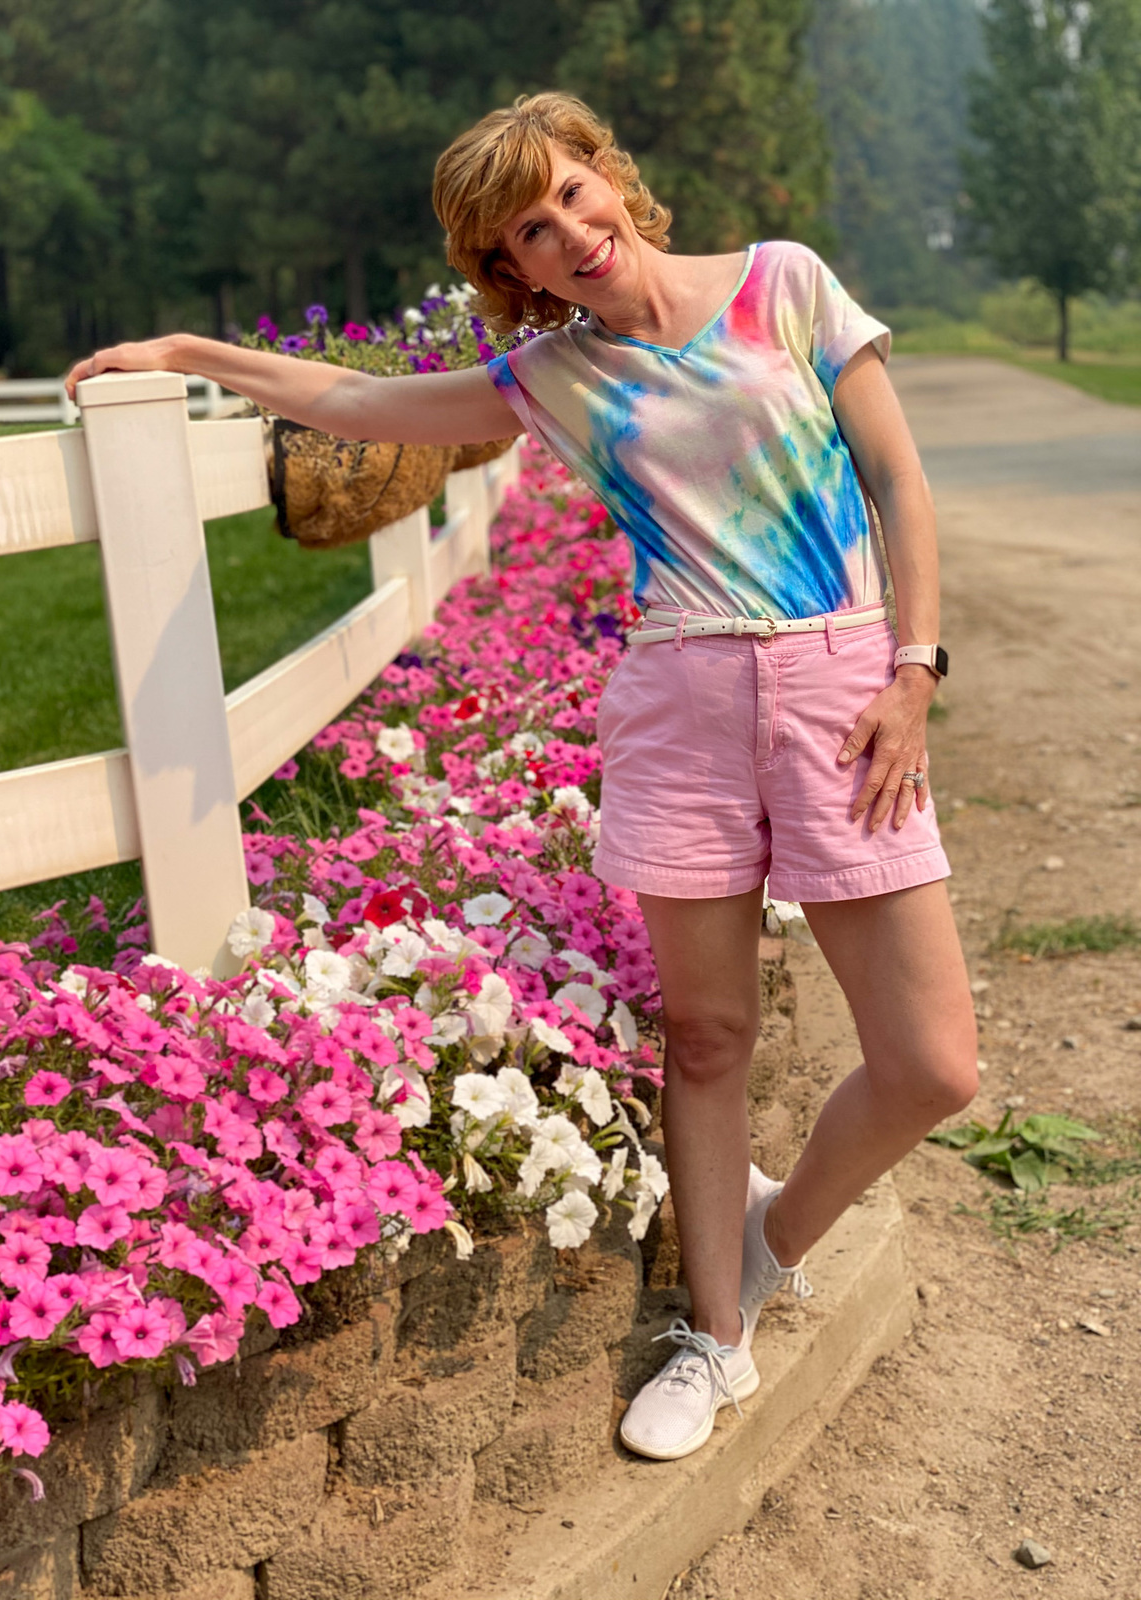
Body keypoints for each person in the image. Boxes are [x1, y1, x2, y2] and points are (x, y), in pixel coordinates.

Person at [67, 91, 978, 1463]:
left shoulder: (784, 284)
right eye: (524, 237)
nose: (564, 235)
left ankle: (766, 1238)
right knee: (708, 1038)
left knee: (932, 1064)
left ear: (608, 180)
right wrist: (191, 350)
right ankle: (713, 1338)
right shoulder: (554, 378)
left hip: (846, 692)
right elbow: (362, 402)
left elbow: (900, 480)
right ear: (513, 274)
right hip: (680, 702)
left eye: (566, 197)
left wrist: (914, 671)